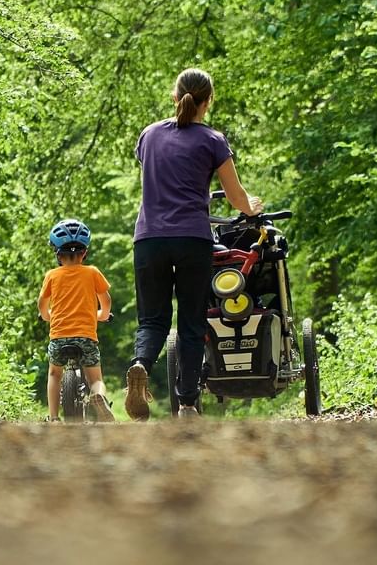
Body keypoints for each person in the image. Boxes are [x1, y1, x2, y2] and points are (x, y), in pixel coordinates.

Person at [125, 68, 262, 420]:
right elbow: (235, 197)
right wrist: (253, 207)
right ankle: (187, 403)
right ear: (208, 100)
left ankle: (140, 364)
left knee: (152, 320)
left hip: (150, 239)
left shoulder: (149, 135)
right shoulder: (213, 140)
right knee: (191, 323)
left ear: (175, 96)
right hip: (193, 239)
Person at [38, 218, 116, 422]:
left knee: (55, 374)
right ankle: (98, 395)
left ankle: (54, 418)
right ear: (85, 253)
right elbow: (106, 302)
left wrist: (48, 317)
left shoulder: (52, 276)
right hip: (86, 336)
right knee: (96, 378)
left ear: (57, 254)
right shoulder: (92, 272)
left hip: (59, 337)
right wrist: (102, 316)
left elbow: (42, 305)